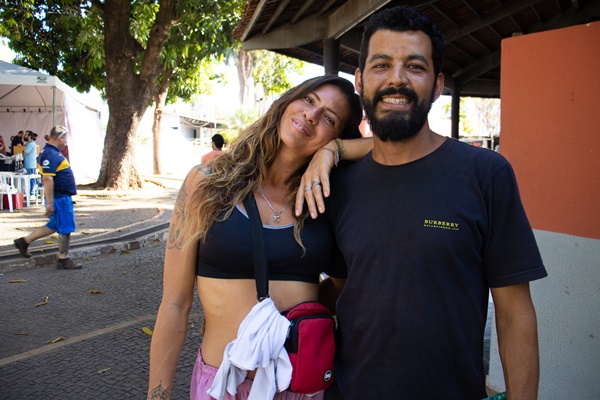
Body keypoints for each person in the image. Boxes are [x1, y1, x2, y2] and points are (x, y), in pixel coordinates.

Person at [295, 6, 547, 399]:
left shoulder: (485, 174)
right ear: (360, 80)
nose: (396, 79)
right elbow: (342, 285)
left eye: (414, 66)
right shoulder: (338, 184)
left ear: (437, 84)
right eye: (381, 65)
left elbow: (514, 312)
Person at [147, 75, 362, 400]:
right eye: (309, 100)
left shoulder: (323, 198)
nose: (312, 115)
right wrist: (156, 395)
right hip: (221, 386)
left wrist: (335, 151)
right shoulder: (207, 183)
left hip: (298, 388)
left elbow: (397, 147)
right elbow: (175, 303)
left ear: (337, 136)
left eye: (329, 118)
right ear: (287, 101)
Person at [13, 126, 81, 270]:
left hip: (60, 196)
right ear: (60, 137)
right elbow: (47, 179)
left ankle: (24, 242)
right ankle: (63, 259)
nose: (66, 141)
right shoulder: (50, 154)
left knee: (54, 225)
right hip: (59, 197)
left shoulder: (50, 152)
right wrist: (50, 203)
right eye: (65, 138)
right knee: (65, 228)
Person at [23, 131, 39, 196]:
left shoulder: (31, 144)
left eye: (26, 135)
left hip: (30, 164)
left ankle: (32, 193)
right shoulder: (29, 144)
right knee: (30, 179)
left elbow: (24, 153)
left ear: (29, 136)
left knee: (31, 179)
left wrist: (22, 151)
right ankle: (31, 193)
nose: (24, 136)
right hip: (29, 164)